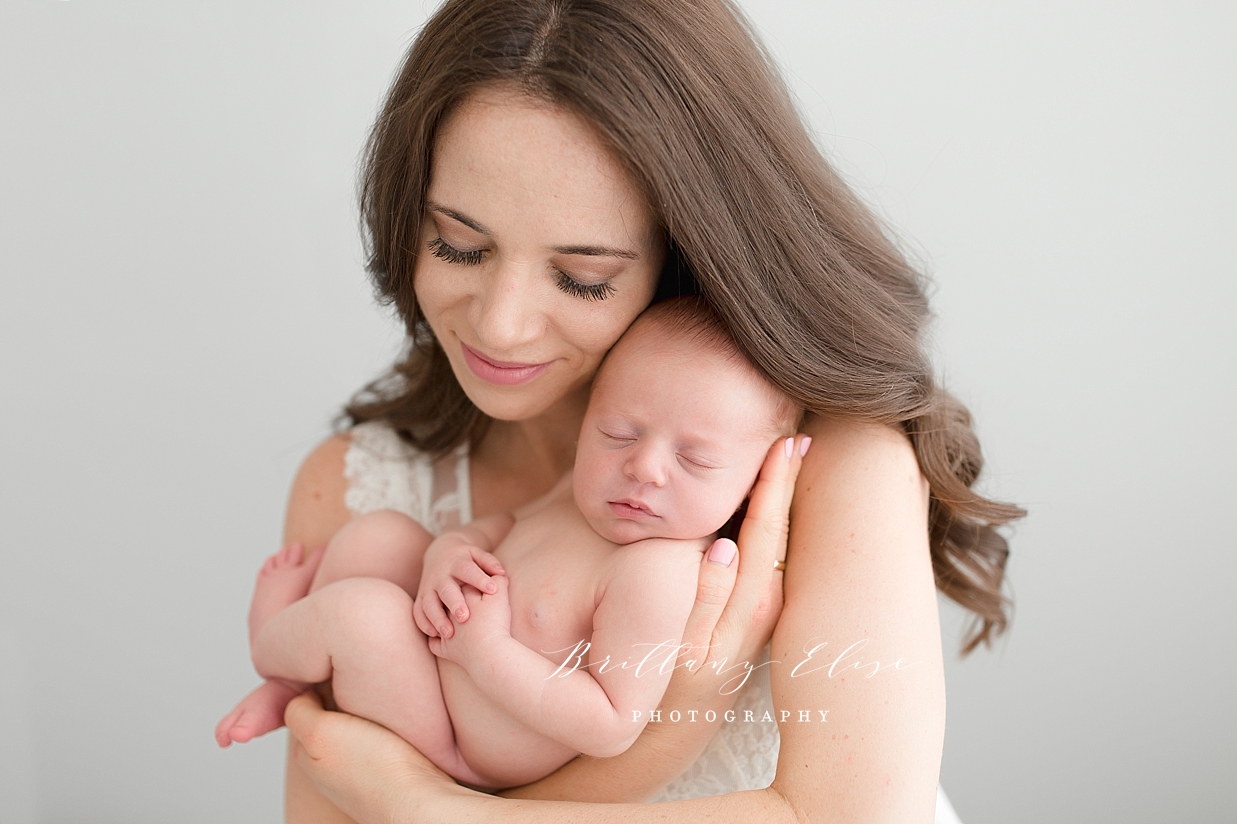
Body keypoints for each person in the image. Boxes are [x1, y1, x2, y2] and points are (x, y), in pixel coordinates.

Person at [269, 0, 1024, 821]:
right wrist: (670, 728)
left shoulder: (829, 464)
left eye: (583, 276)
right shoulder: (360, 487)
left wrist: (438, 810)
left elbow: (854, 817)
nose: (500, 323)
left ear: (687, 251)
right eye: (459, 243)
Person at [216, 298, 807, 792]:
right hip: (436, 658)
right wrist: (449, 554)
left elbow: (612, 722)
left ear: (752, 485)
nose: (644, 468)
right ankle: (294, 683)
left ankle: (271, 646)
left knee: (362, 614)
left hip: (457, 745)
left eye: (695, 460)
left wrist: (487, 653)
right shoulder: (579, 495)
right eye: (618, 432)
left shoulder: (659, 573)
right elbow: (495, 528)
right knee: (384, 535)